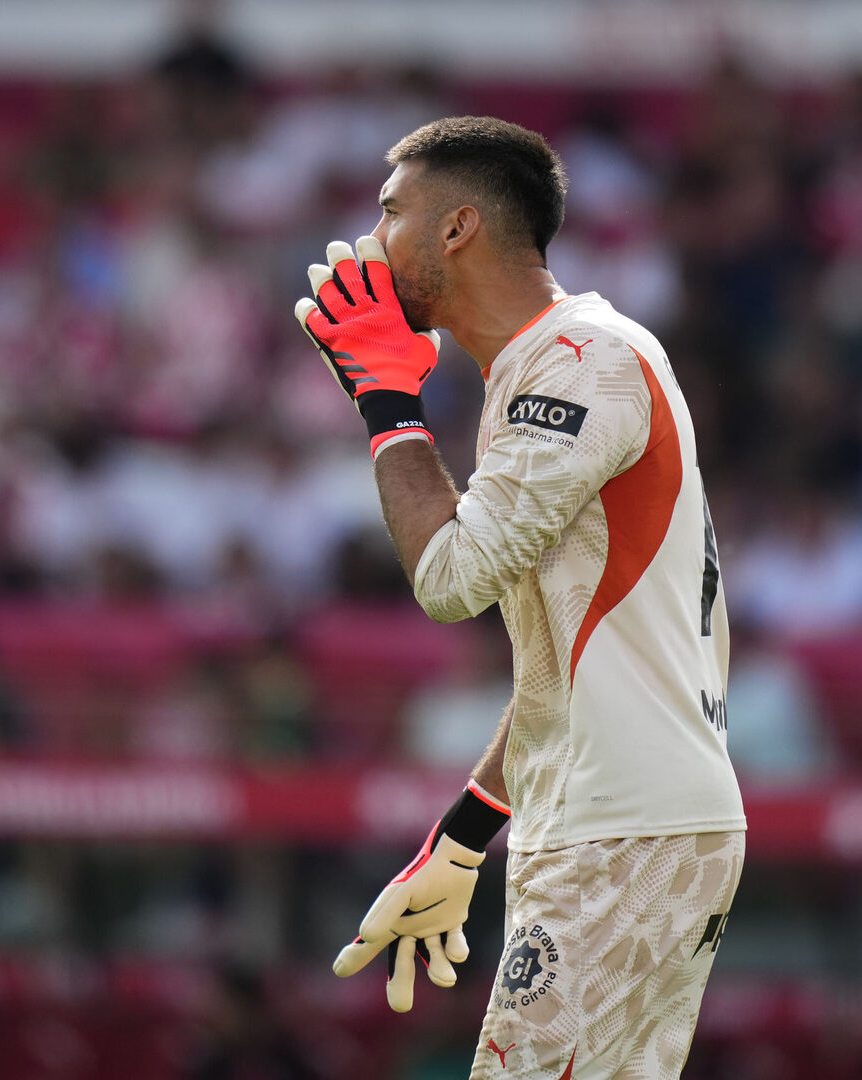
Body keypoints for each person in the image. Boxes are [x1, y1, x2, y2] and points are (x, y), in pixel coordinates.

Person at [295, 116, 746, 1079]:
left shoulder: (582, 361)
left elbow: (452, 581)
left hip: (622, 823)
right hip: (627, 816)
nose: (372, 242)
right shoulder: (541, 369)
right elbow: (562, 664)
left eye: (391, 214)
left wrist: (385, 401)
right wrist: (464, 838)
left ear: (457, 227)